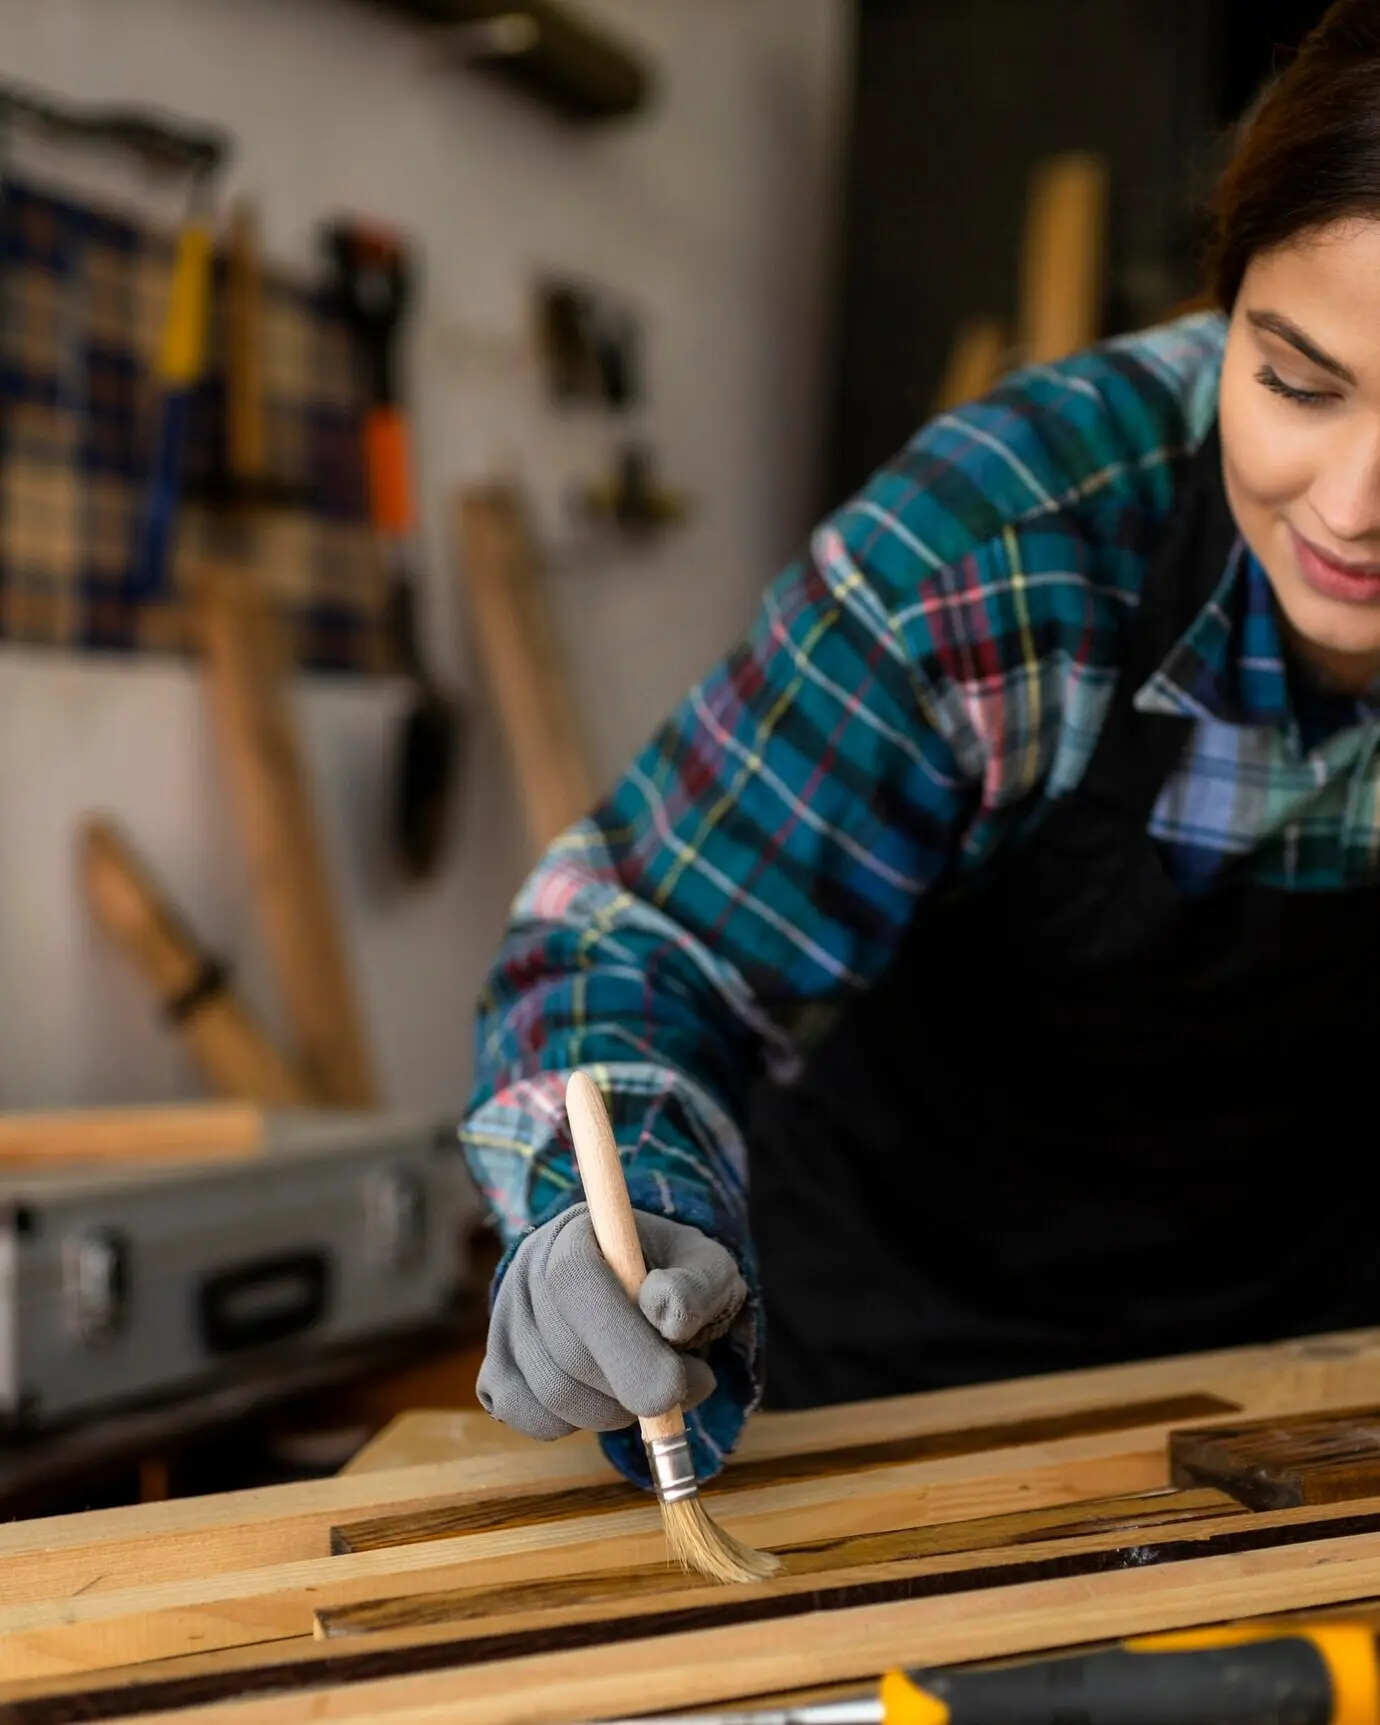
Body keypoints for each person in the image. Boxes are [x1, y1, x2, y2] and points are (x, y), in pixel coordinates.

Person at [461, 0, 1380, 1490]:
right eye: (1294, 381)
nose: (1348, 509)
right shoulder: (1006, 546)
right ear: (1228, 315)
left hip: (1320, 1387)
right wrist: (610, 1217)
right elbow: (647, 942)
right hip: (897, 1380)